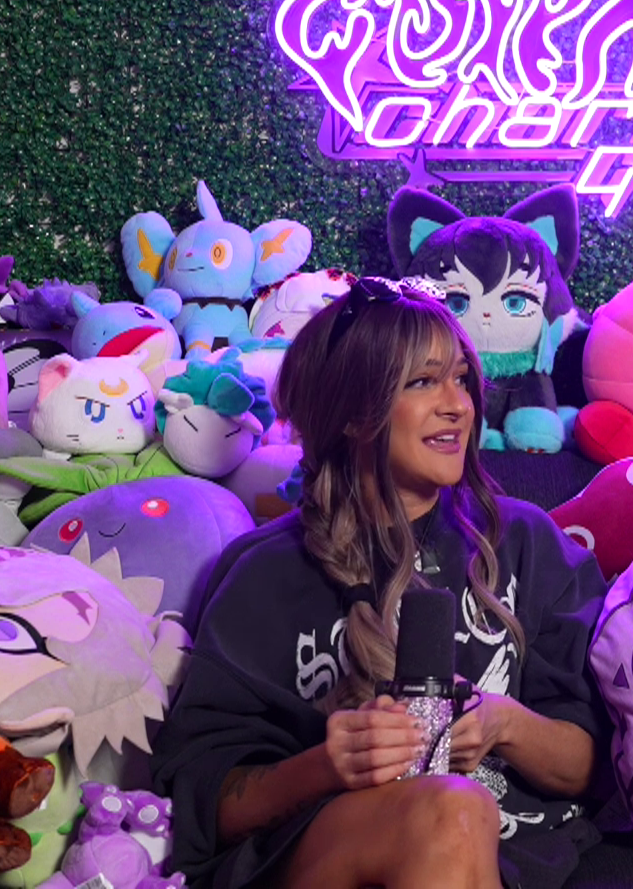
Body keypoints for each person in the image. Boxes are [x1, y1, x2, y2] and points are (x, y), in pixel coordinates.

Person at [152, 276, 609, 889]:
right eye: (422, 382)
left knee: (460, 813)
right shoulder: (265, 573)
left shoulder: (526, 542)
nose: (458, 405)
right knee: (452, 812)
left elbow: (592, 766)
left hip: (516, 857)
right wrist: (329, 764)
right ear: (352, 413)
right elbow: (207, 808)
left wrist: (505, 723)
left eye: (461, 379)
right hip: (332, 855)